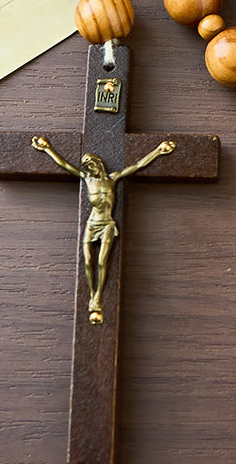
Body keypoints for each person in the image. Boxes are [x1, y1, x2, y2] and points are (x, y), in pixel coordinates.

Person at [31, 135, 175, 323]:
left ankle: (98, 296)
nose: (89, 168)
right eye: (86, 165)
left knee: (101, 262)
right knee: (88, 261)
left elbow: (138, 165)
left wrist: (158, 151)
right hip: (92, 223)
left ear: (98, 164)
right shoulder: (86, 179)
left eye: (91, 164)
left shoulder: (113, 178)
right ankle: (91, 294)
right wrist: (47, 148)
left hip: (107, 223)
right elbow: (65, 165)